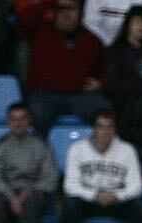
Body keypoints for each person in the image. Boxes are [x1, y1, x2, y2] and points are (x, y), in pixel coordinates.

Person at [60, 105, 142, 223]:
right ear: (94, 129)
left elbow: (137, 186)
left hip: (117, 201)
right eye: (101, 127)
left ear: (115, 129)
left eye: (109, 127)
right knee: (70, 205)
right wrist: (94, 195)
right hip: (89, 201)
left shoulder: (127, 150)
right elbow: (70, 186)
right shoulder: (77, 149)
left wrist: (116, 196)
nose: (105, 132)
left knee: (140, 206)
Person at [25, 0, 108, 129]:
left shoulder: (92, 40)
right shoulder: (41, 33)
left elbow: (105, 68)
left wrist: (101, 82)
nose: (66, 14)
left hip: (80, 96)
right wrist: (54, 2)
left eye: (71, 9)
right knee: (37, 112)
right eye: (62, 9)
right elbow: (25, 18)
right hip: (46, 95)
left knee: (105, 112)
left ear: (80, 13)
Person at [0, 102, 61, 223]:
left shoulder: (42, 145)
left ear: (29, 120)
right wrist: (12, 197)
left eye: (22, 119)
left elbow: (50, 177)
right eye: (14, 119)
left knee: (30, 202)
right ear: (8, 121)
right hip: (7, 193)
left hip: (33, 192)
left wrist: (29, 191)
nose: (18, 123)